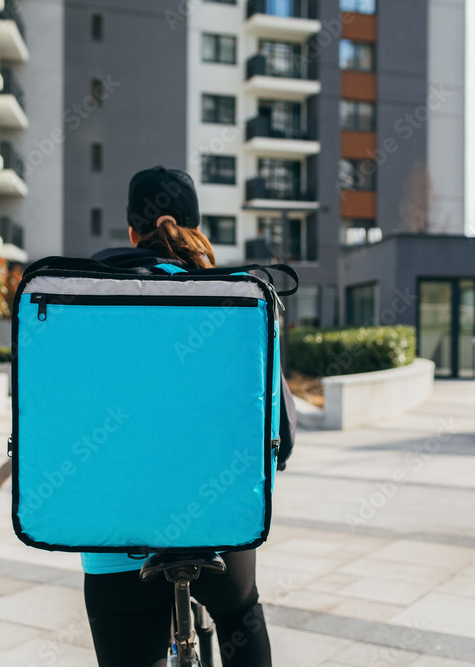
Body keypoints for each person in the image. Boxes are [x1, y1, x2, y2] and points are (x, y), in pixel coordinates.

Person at [81, 166, 297, 667]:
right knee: (241, 612)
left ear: (132, 234)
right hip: (217, 526)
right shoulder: (242, 301)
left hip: (116, 537)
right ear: (197, 227)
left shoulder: (88, 301)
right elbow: (279, 441)